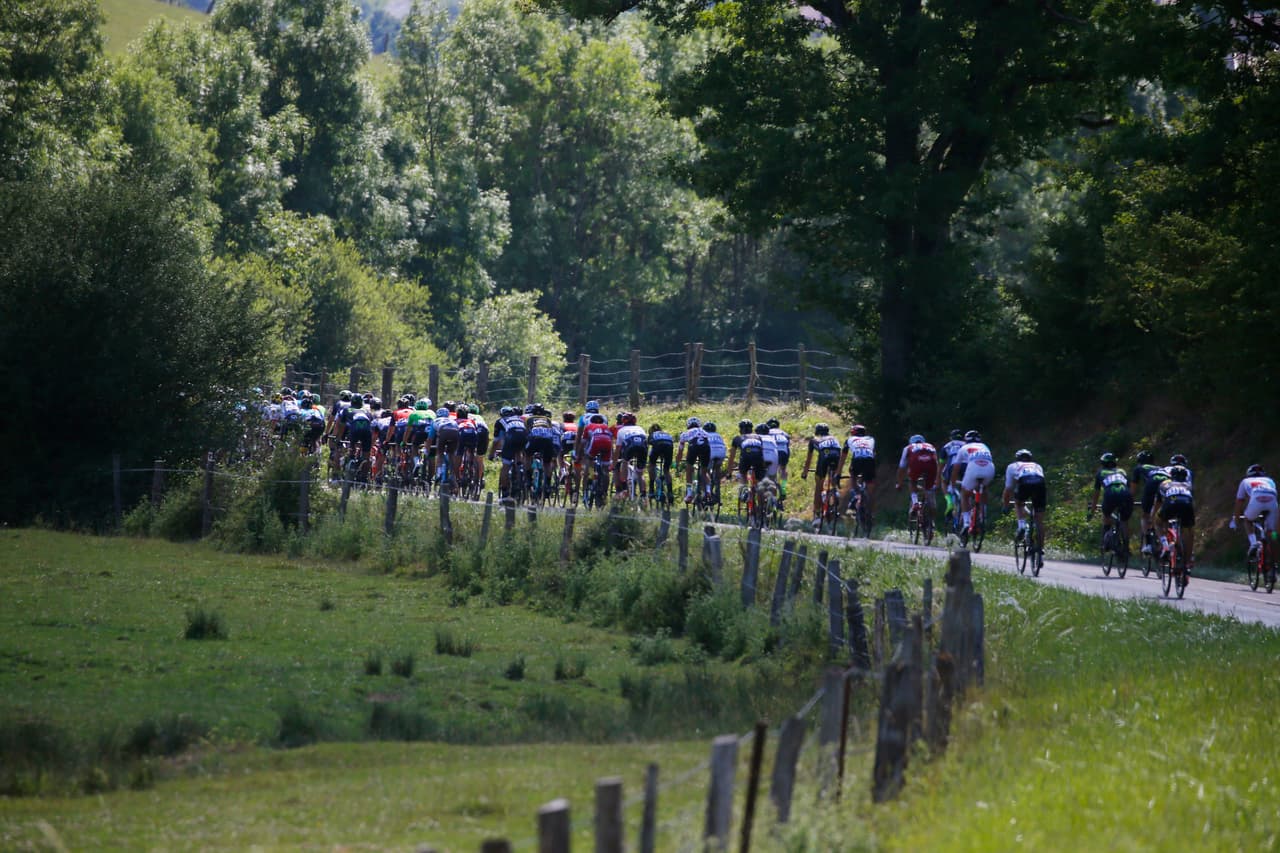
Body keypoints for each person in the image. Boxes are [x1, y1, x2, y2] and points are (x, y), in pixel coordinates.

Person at [1002, 449, 1047, 566]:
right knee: (1039, 521)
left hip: (1024, 483)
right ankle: (1040, 552)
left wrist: (1006, 505)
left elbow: (1008, 489)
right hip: (1040, 485)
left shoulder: (1013, 466)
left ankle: (1021, 525)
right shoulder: (1037, 465)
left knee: (1018, 502)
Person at [949, 430, 994, 542]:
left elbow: (956, 468)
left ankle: (966, 522)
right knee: (984, 488)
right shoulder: (985, 446)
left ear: (966, 440)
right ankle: (983, 514)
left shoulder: (963, 448)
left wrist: (952, 484)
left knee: (965, 495)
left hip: (973, 468)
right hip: (989, 468)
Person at [1153, 464, 1196, 572]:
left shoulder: (1164, 483)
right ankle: (1187, 561)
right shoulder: (1189, 485)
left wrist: (1153, 516)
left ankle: (1165, 545)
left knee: (1158, 522)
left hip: (1170, 503)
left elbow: (1159, 503)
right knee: (1189, 532)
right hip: (1187, 505)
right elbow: (1191, 501)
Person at [1231, 464, 1278, 560]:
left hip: (1256, 500)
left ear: (1248, 474)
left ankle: (1253, 544)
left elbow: (1239, 502)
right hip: (1272, 501)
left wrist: (1236, 520)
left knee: (1248, 520)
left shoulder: (1245, 481)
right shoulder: (1270, 480)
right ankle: (1275, 559)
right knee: (1273, 532)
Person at [800, 423, 843, 525]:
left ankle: (817, 514)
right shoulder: (835, 439)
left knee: (819, 485)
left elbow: (808, 460)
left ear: (817, 432)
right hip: (836, 455)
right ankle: (834, 491)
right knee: (832, 476)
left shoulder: (815, 440)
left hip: (824, 457)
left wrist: (805, 473)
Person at [1089, 453, 1132, 553]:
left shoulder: (1101, 472)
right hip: (1126, 495)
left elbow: (1097, 493)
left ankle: (1105, 543)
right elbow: (1129, 487)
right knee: (1124, 521)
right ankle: (1126, 546)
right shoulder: (1122, 471)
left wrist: (1093, 508)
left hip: (1110, 495)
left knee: (1106, 516)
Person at [896, 434, 940, 531]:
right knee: (929, 489)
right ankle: (931, 522)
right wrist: (936, 480)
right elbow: (936, 462)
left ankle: (915, 502)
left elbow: (901, 467)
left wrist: (899, 483)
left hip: (916, 463)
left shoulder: (908, 447)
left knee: (912, 481)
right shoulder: (930, 446)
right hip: (931, 465)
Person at [840, 424, 877, 519]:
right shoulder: (871, 439)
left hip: (857, 460)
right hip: (870, 461)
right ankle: (871, 513)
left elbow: (843, 458)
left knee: (853, 476)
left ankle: (856, 496)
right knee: (870, 489)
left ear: (853, 433)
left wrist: (838, 472)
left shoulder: (850, 440)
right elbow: (874, 453)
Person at [490, 405, 528, 496]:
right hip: (524, 436)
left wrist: (491, 454)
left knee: (506, 466)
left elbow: (496, 441)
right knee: (519, 453)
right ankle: (520, 473)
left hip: (512, 438)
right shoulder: (520, 419)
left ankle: (505, 491)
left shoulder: (500, 421)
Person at [1130, 450, 1162, 554]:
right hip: (1167, 486)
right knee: (1160, 516)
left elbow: (1133, 490)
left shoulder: (1139, 468)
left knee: (1145, 515)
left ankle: (1148, 543)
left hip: (1152, 487)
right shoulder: (1160, 468)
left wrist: (1129, 501)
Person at [677, 417, 712, 502]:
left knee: (689, 469)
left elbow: (680, 451)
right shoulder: (705, 432)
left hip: (694, 447)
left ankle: (689, 494)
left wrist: (677, 462)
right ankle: (708, 490)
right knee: (704, 472)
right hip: (705, 447)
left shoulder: (685, 433)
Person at [615, 412, 648, 497]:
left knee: (624, 462)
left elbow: (618, 449)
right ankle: (643, 496)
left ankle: (624, 486)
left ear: (623, 422)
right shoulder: (640, 428)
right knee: (640, 473)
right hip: (642, 447)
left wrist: (614, 463)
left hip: (630, 446)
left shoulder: (621, 430)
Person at [647, 423, 674, 496]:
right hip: (669, 446)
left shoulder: (652, 435)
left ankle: (651, 489)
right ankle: (670, 492)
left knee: (651, 465)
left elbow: (649, 447)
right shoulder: (667, 434)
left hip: (658, 445)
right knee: (666, 470)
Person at [767, 418, 791, 498]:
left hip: (772, 452)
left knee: (770, 470)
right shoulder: (784, 433)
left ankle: (771, 489)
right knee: (783, 469)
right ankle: (783, 488)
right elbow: (787, 446)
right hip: (783, 452)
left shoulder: (766, 432)